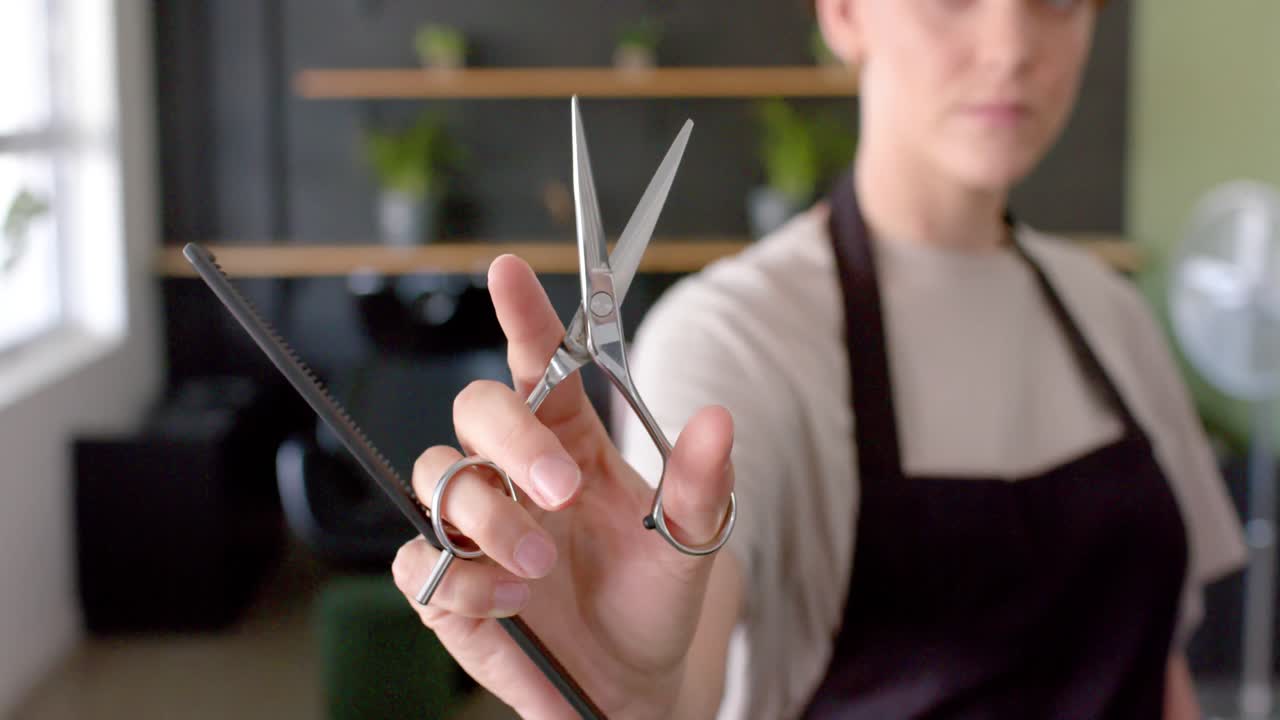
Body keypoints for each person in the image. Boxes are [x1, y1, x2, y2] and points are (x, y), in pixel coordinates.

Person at [391, 0, 1247, 717]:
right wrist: (634, 691)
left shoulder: (1114, 315)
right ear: (842, 11)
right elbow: (686, 666)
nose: (1013, 44)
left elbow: (1159, 669)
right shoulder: (731, 337)